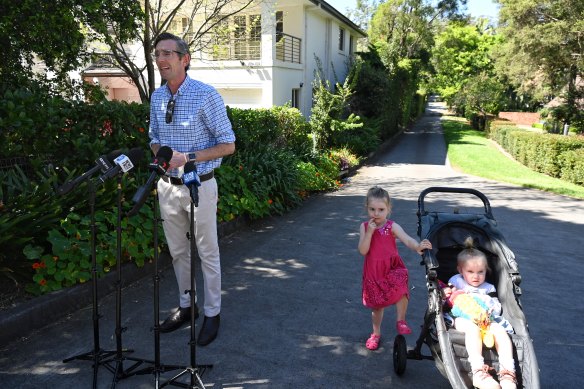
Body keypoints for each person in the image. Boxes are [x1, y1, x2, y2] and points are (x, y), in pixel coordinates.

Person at [148, 32, 235, 346]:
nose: (161, 59)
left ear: (185, 59)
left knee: (208, 252)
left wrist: (189, 159)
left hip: (199, 186)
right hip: (167, 188)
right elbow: (154, 137)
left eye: (168, 53)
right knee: (178, 252)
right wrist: (161, 155)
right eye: (158, 53)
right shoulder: (157, 97)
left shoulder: (205, 95)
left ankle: (212, 313)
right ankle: (187, 307)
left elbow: (228, 145)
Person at [357, 186, 432, 350]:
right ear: (367, 208)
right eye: (372, 209)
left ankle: (401, 320)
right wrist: (369, 232)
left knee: (401, 287)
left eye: (381, 209)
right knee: (377, 307)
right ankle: (375, 334)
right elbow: (363, 250)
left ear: (388, 209)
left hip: (391, 267)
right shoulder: (364, 227)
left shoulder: (391, 226)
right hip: (374, 272)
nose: (376, 214)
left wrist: (417, 246)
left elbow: (406, 239)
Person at [442, 237, 517, 389]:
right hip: (461, 317)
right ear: (460, 270)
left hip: (486, 319)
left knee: (500, 332)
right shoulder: (456, 281)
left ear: (486, 270)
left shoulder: (488, 288)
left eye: (480, 272)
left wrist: (487, 311)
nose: (476, 276)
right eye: (470, 272)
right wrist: (445, 293)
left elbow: (496, 306)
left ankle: (507, 373)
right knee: (472, 329)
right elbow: (446, 296)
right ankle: (478, 372)